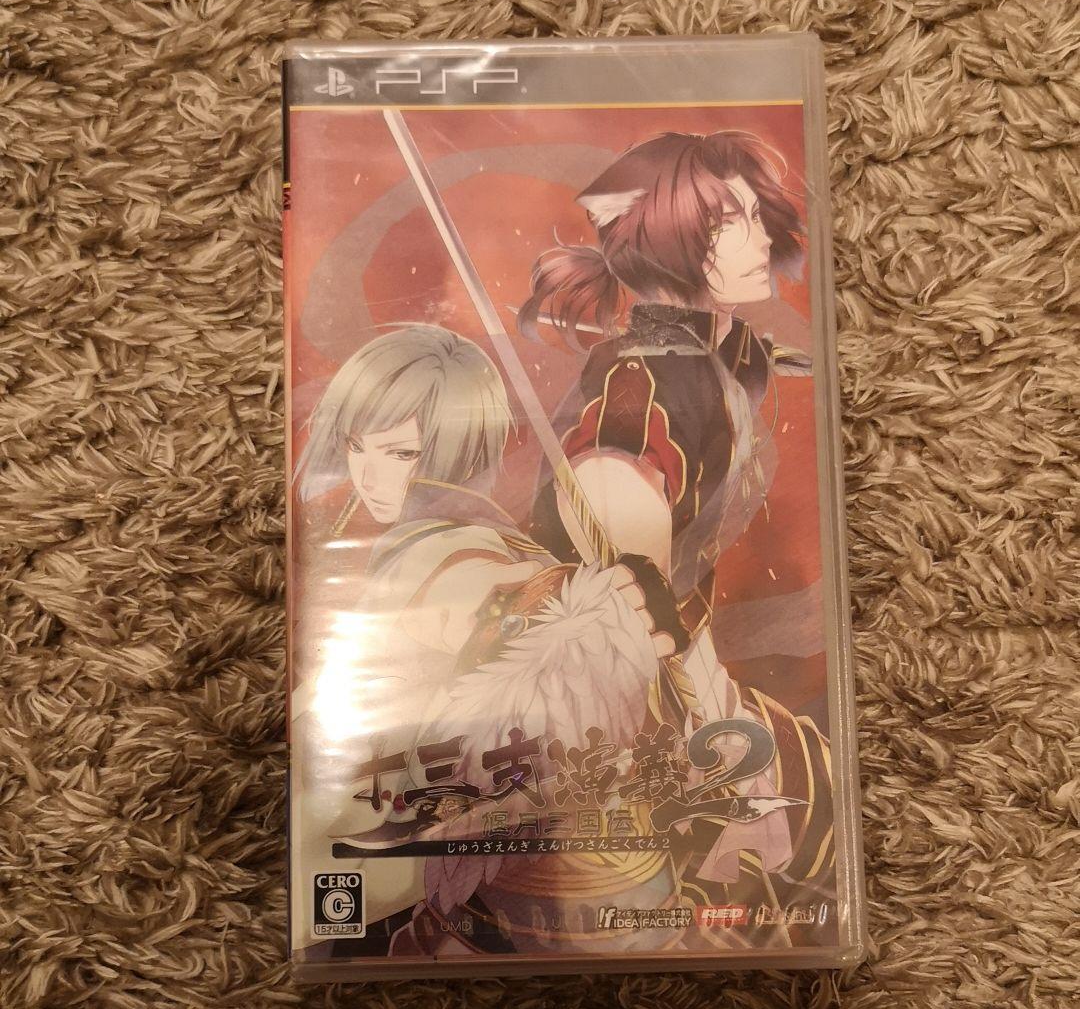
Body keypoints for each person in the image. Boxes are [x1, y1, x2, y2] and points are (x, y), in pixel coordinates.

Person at [291, 324, 687, 957]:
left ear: (462, 450)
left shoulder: (443, 552)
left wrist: (569, 607)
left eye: (399, 453)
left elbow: (482, 590)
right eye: (357, 448)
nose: (368, 475)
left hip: (463, 887)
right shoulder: (453, 542)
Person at [519, 131, 833, 905]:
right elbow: (607, 477)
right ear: (667, 238)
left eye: (756, 216)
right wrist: (642, 597)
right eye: (728, 222)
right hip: (618, 678)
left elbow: (735, 365)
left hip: (685, 657)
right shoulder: (642, 379)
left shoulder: (720, 351)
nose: (759, 239)